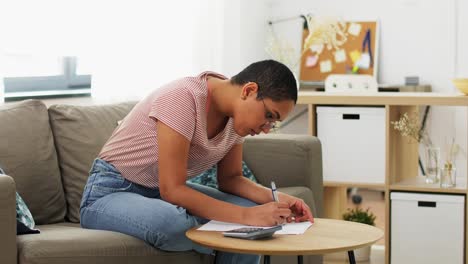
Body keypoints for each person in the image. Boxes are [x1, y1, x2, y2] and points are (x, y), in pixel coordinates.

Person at [79, 60, 314, 264]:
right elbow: (172, 189)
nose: (266, 128)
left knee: (252, 212)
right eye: (269, 116)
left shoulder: (237, 119)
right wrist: (247, 218)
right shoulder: (183, 97)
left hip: (159, 193)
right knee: (174, 224)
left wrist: (278, 199)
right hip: (111, 191)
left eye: (274, 123)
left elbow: (231, 179)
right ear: (249, 90)